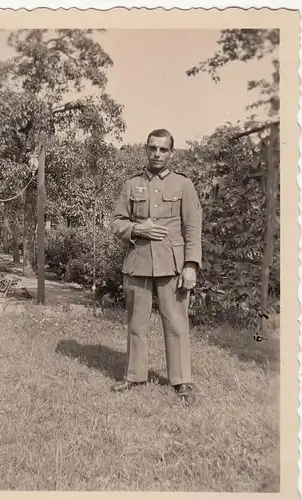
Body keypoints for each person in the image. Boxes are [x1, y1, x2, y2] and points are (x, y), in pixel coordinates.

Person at [111, 128, 202, 406]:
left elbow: (192, 227)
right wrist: (139, 228)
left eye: (163, 149)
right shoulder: (131, 184)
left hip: (172, 264)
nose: (157, 154)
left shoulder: (183, 185)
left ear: (171, 153)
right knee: (136, 323)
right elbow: (117, 222)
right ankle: (135, 376)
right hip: (138, 262)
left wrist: (190, 265)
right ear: (146, 149)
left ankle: (181, 379)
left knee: (176, 323)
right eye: (153, 148)